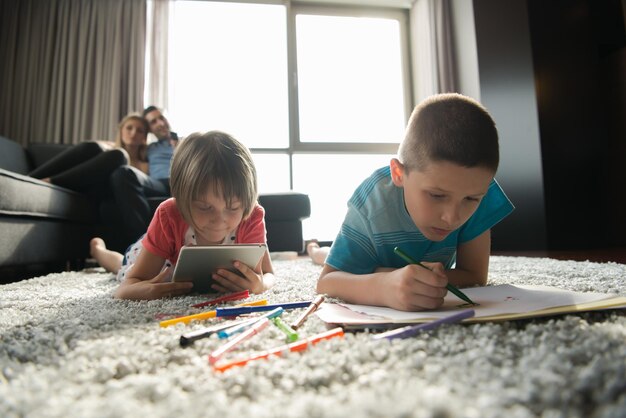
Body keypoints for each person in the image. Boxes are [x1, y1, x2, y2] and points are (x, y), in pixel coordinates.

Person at [316, 93, 514, 312]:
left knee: (356, 265)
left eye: (471, 199)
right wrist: (382, 286)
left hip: (383, 265)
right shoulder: (370, 206)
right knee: (337, 259)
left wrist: (396, 275)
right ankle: (318, 252)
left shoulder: (474, 187)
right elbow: (328, 281)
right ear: (399, 173)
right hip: (370, 252)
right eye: (437, 195)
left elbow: (475, 276)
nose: (452, 217)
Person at [108, 130, 275, 300]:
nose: (219, 220)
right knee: (121, 268)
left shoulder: (252, 214)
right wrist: (147, 290)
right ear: (182, 200)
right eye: (204, 207)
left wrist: (260, 285)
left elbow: (269, 274)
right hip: (154, 252)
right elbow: (125, 289)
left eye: (233, 208)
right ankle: (100, 250)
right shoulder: (169, 215)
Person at [28, 113, 149, 198]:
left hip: (100, 191)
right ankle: (29, 178)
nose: (133, 133)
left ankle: (50, 181)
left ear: (144, 137)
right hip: (80, 182)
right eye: (129, 128)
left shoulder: (144, 164)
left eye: (139, 130)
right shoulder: (108, 151)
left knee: (120, 155)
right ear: (121, 130)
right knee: (93, 147)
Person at [109, 105, 178, 244]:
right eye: (153, 122)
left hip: (181, 181)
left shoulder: (185, 141)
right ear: (149, 131)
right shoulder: (149, 148)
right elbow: (120, 145)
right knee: (123, 173)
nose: (160, 123)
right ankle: (141, 245)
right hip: (158, 184)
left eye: (161, 118)